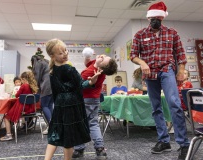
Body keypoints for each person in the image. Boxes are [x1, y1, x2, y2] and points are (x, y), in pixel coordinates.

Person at [130, 1, 189, 160]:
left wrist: (181, 71)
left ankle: (184, 144)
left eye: (158, 18)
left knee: (174, 104)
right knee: (156, 107)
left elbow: (181, 55)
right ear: (149, 18)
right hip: (149, 75)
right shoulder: (140, 35)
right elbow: (133, 55)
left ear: (162, 19)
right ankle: (164, 141)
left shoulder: (172, 33)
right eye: (153, 18)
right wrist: (142, 63)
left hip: (166, 70)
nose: (156, 20)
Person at [43, 39, 102, 160]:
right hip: (71, 104)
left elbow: (55, 92)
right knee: (69, 136)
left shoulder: (52, 70)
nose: (65, 54)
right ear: (52, 56)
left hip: (59, 105)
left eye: (65, 50)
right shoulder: (69, 69)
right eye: (60, 53)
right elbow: (81, 85)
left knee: (55, 133)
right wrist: (91, 82)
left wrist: (57, 105)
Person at [72, 47, 118, 159]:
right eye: (105, 56)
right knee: (93, 123)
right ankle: (100, 149)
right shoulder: (96, 67)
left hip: (85, 100)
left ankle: (79, 149)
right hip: (94, 99)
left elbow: (80, 79)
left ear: (100, 67)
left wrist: (95, 64)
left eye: (103, 59)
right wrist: (88, 57)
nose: (102, 56)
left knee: (80, 123)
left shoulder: (93, 70)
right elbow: (87, 63)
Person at [0, 71, 38, 141]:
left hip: (22, 107)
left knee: (6, 117)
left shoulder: (24, 85)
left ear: (23, 79)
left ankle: (8, 134)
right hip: (30, 108)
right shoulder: (32, 86)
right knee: (9, 115)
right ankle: (12, 130)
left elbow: (17, 95)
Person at [31, 54, 53, 135]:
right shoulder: (47, 62)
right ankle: (54, 125)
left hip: (46, 86)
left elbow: (37, 77)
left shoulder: (38, 63)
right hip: (53, 86)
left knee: (44, 106)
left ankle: (51, 126)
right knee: (50, 105)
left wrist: (35, 87)